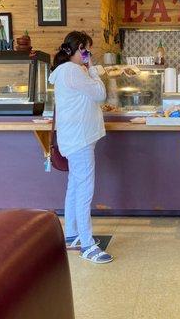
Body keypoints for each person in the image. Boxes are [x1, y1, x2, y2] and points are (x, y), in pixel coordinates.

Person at [48, 30, 113, 264]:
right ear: (78, 50)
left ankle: (72, 234)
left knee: (75, 187)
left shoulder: (67, 71)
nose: (89, 53)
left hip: (75, 138)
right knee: (84, 190)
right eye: (87, 49)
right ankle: (87, 245)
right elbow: (100, 94)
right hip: (80, 140)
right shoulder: (73, 71)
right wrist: (92, 67)